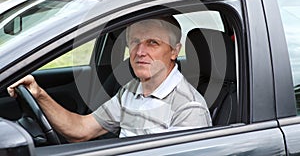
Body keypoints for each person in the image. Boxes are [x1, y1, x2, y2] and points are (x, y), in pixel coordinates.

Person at [7, 16, 212, 142]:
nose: (140, 51)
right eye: (134, 41)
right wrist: (38, 93)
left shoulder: (189, 108)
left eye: (152, 43)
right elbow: (80, 130)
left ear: (174, 51)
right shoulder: (131, 89)